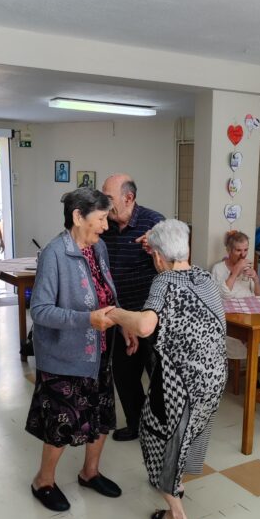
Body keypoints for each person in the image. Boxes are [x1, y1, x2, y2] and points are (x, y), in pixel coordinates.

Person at [108, 219, 227, 519]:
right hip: (213, 377)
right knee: (187, 432)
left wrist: (115, 314)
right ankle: (177, 481)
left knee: (155, 434)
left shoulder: (164, 281)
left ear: (158, 257)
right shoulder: (203, 277)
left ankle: (177, 516)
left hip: (180, 383)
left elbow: (145, 325)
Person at [26, 187, 133, 512]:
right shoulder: (54, 254)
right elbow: (40, 310)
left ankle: (90, 473)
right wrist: (86, 319)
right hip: (64, 357)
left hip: (99, 352)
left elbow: (108, 294)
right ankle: (43, 481)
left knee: (101, 417)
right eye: (100, 219)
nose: (105, 226)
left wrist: (124, 323)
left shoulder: (99, 248)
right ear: (77, 216)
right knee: (61, 424)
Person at [101, 174, 164, 441]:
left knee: (158, 375)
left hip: (151, 316)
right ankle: (136, 423)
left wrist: (156, 249)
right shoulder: (105, 225)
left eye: (109, 198)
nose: (104, 204)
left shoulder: (154, 223)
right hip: (120, 316)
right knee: (124, 374)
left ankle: (161, 428)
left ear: (129, 198)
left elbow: (173, 266)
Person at [211, 231, 260, 404]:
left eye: (245, 250)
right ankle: (255, 386)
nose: (243, 255)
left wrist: (256, 280)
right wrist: (235, 271)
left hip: (250, 313)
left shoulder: (248, 268)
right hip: (230, 320)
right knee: (254, 338)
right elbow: (222, 296)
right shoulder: (218, 269)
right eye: (238, 250)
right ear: (229, 250)